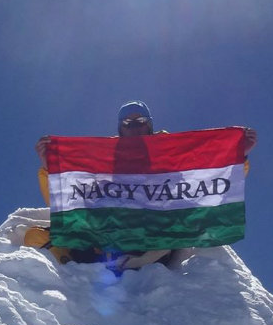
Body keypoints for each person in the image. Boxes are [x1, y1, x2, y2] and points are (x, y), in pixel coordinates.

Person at [29, 101, 256, 271]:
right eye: (128, 123)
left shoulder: (170, 161)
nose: (135, 127)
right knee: (34, 237)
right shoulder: (105, 165)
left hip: (152, 243)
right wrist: (51, 167)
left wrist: (237, 157)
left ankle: (130, 263)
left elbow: (206, 187)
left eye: (140, 122)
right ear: (120, 129)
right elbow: (68, 201)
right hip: (103, 242)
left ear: (149, 126)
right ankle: (72, 270)